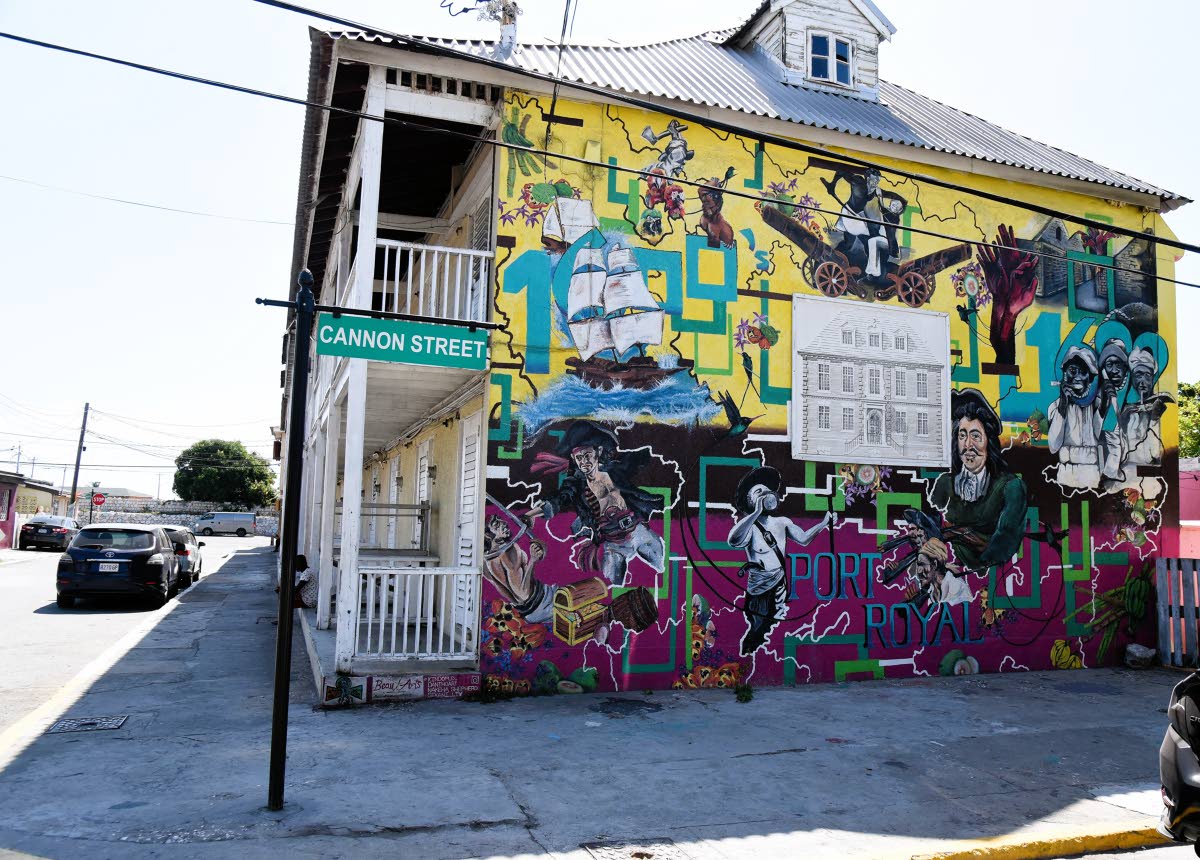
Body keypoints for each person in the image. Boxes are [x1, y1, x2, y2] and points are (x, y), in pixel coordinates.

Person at [529, 421, 664, 586]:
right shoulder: (575, 485)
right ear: (573, 459)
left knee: (661, 566)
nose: (584, 461)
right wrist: (530, 515)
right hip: (613, 544)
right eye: (579, 458)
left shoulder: (615, 470)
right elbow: (557, 500)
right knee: (613, 584)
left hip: (637, 531)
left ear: (598, 451)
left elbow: (640, 459)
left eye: (587, 455)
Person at [728, 466, 834, 655]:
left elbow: (803, 539)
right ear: (750, 500)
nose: (764, 494)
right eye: (757, 492)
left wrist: (823, 523)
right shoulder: (749, 526)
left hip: (779, 586)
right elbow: (733, 540)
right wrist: (754, 514)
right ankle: (747, 657)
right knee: (757, 631)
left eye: (765, 490)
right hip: (759, 589)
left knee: (773, 627)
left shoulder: (782, 522)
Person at [930, 388, 1027, 570]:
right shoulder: (944, 484)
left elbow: (1003, 546)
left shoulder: (1011, 488)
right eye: (962, 436)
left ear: (988, 442)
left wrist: (962, 535)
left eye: (975, 436)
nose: (968, 445)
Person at [1048, 345, 1107, 489]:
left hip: (1093, 476)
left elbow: (1101, 438)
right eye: (1072, 371)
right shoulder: (1055, 407)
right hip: (1065, 475)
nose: (1077, 378)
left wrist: (1103, 406)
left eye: (1083, 372)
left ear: (1090, 378)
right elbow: (1053, 446)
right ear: (1064, 374)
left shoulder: (1098, 405)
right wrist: (1063, 405)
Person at [483, 513, 555, 624]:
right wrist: (533, 560)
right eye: (496, 524)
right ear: (488, 535)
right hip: (544, 602)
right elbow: (523, 594)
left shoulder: (486, 563)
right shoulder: (508, 551)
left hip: (530, 614)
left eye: (500, 519)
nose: (504, 523)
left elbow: (514, 593)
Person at [1121, 346, 1172, 468]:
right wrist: (1122, 423)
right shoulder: (1128, 411)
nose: (1142, 381)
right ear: (1132, 379)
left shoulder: (1162, 407)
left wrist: (1154, 419)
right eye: (1138, 375)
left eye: (1147, 375)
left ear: (1153, 378)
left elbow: (1155, 454)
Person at [908, 538, 973, 607]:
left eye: (923, 564)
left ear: (935, 564)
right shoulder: (931, 589)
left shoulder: (956, 587)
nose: (919, 570)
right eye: (918, 565)